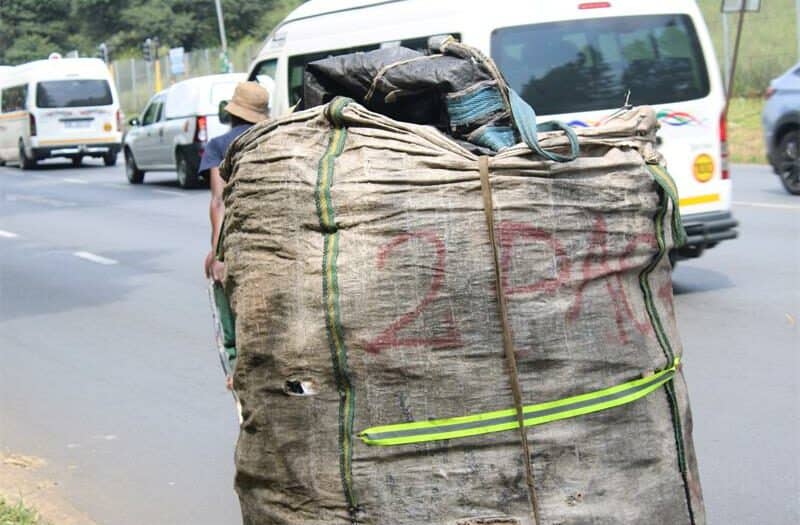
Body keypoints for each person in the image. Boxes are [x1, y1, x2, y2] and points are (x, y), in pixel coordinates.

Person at [201, 81, 270, 282]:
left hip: (238, 239)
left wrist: (217, 252)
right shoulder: (273, 138)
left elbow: (219, 201)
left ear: (231, 113)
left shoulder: (218, 145)